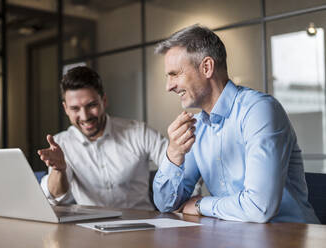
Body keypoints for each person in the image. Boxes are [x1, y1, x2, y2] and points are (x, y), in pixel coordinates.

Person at [152, 24, 320, 223]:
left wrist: (200, 205)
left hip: (289, 238)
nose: (168, 86)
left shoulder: (259, 111)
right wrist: (174, 155)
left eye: (174, 74)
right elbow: (165, 205)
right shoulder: (198, 126)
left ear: (206, 67)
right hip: (236, 238)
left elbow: (259, 207)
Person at [38, 66, 168, 210]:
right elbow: (56, 198)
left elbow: (179, 166)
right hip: (91, 228)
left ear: (104, 100)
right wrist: (59, 169)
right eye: (75, 109)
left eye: (91, 105)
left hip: (142, 225)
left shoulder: (139, 132)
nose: (85, 116)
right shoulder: (61, 143)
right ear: (65, 109)